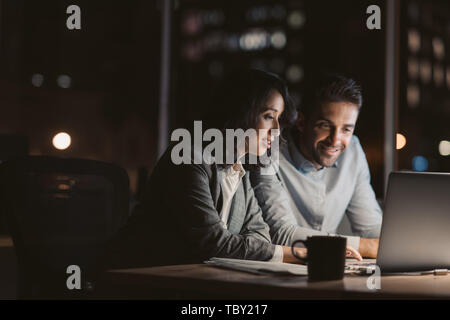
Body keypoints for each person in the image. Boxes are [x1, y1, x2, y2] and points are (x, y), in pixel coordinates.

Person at [104, 69, 361, 269]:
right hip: (141, 281)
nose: (276, 131)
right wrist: (300, 253)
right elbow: (213, 242)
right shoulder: (188, 158)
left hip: (192, 283)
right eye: (269, 116)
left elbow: (260, 235)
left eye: (279, 119)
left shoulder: (239, 170)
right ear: (242, 112)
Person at [251, 73, 381, 258]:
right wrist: (366, 247)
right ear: (301, 122)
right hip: (280, 272)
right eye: (325, 125)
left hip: (329, 269)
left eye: (346, 129)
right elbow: (282, 234)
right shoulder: (269, 149)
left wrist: (398, 244)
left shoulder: (353, 151)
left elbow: (370, 228)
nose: (335, 140)